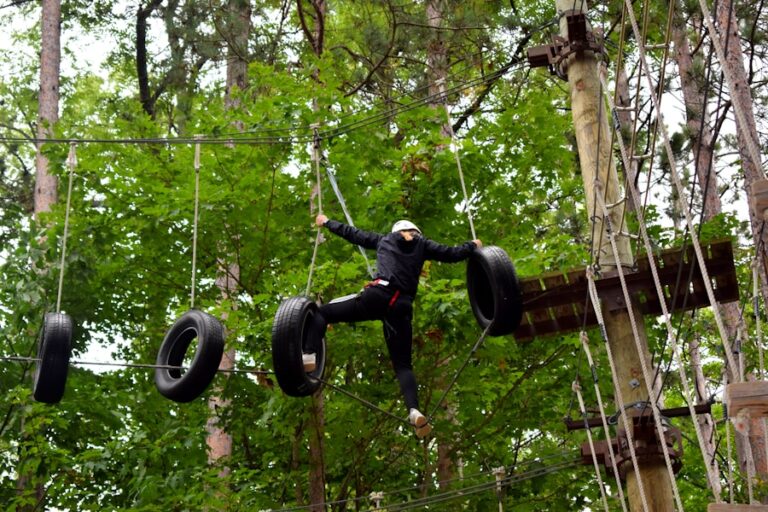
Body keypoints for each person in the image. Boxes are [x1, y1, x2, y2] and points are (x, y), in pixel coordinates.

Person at [304, 214, 482, 438]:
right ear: (416, 232)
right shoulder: (423, 245)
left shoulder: (383, 239)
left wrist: (327, 222)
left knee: (323, 313)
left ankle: (309, 354)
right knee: (403, 366)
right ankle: (414, 411)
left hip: (378, 295)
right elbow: (452, 254)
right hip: (401, 306)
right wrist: (473, 245)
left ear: (397, 231)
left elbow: (353, 234)